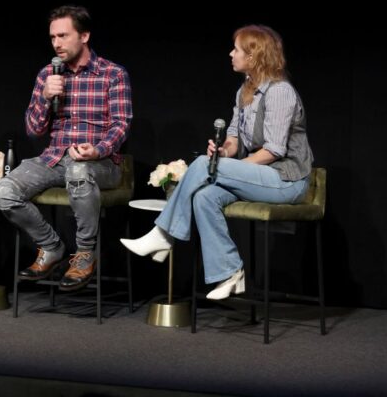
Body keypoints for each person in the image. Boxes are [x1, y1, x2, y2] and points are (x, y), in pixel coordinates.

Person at [121, 24, 312, 299]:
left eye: (237, 49)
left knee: (202, 166)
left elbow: (274, 151)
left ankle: (163, 236)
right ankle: (230, 272)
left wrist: (226, 169)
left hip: (287, 181)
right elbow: (233, 138)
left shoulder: (280, 91)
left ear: (254, 55)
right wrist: (223, 154)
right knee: (205, 197)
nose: (231, 54)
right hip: (260, 176)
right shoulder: (244, 91)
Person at [0, 5, 132, 292]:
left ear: (84, 36)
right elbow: (33, 130)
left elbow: (121, 125)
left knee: (79, 171)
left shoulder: (112, 74)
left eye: (63, 36)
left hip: (101, 162)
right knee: (5, 191)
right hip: (55, 157)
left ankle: (84, 254)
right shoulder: (48, 74)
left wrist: (98, 149)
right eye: (53, 37)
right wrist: (45, 97)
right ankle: (52, 246)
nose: (56, 43)